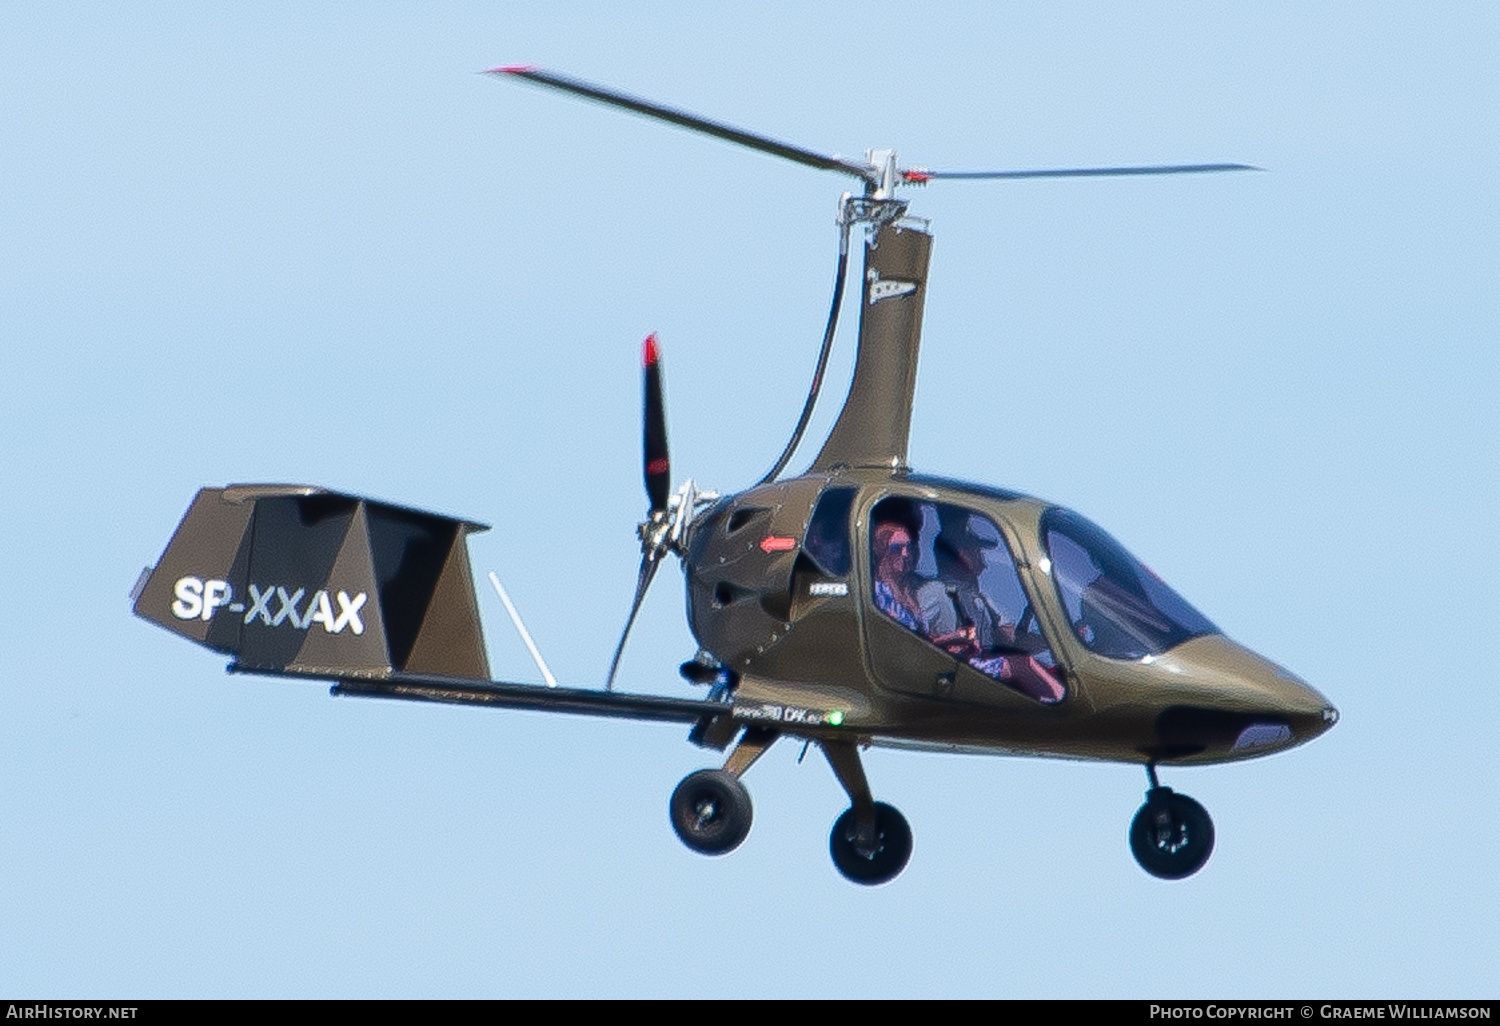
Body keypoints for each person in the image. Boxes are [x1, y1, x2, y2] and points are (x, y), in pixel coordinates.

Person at [916, 511, 1066, 704]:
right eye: (976, 552)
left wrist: (1052, 640)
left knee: (1044, 669)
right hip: (954, 673)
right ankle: (1062, 706)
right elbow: (913, 636)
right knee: (1023, 665)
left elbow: (1011, 640)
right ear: (959, 554)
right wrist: (955, 640)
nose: (984, 563)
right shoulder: (934, 592)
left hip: (979, 669)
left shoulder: (979, 597)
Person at [871, 520, 925, 633]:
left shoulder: (907, 591)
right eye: (896, 548)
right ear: (881, 552)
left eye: (908, 547)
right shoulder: (876, 592)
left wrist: (951, 639)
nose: (905, 554)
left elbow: (919, 638)